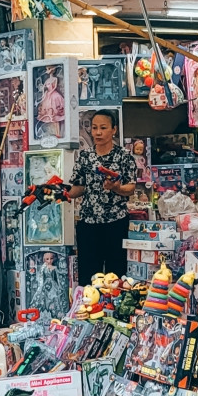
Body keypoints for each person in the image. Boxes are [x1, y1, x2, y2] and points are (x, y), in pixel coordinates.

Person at [68, 109, 136, 286]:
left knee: (116, 274)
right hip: (88, 222)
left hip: (116, 222)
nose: (97, 132)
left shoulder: (124, 156)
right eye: (94, 127)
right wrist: (61, 193)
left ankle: (114, 311)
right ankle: (87, 310)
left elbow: (131, 188)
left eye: (103, 128)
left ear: (114, 130)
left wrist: (116, 187)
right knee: (88, 276)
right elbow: (78, 187)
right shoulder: (85, 156)